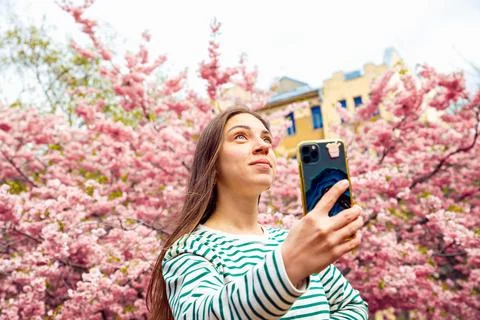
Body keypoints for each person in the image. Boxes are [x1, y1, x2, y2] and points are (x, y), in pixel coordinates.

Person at [146, 106, 368, 320]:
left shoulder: (293, 240)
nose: (263, 146)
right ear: (211, 164)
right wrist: (288, 265)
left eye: (267, 139)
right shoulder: (191, 249)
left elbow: (353, 306)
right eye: (240, 137)